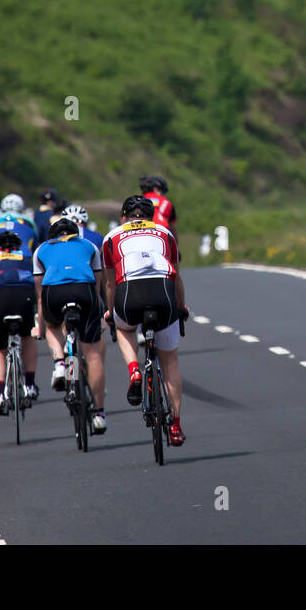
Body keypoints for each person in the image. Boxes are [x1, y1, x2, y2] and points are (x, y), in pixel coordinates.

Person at [102, 195, 188, 446]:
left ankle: (134, 372)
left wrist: (110, 313)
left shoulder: (111, 237)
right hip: (163, 292)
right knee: (169, 360)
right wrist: (181, 308)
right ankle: (175, 426)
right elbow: (176, 276)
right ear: (151, 216)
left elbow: (109, 284)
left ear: (123, 217)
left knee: (123, 327)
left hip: (129, 294)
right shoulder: (164, 232)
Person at [34, 217, 107, 433]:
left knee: (53, 326)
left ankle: (59, 363)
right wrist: (95, 309)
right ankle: (99, 414)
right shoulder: (89, 246)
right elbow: (97, 284)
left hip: (54, 294)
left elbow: (40, 294)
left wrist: (40, 325)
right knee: (92, 354)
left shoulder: (41, 249)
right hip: (84, 292)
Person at [0, 230, 39, 414]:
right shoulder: (26, 260)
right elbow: (37, 291)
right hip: (24, 298)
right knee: (27, 337)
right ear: (18, 247)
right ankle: (29, 385)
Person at [139, 175, 178, 239]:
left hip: (140, 234)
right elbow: (173, 230)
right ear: (156, 189)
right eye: (164, 192)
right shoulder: (167, 203)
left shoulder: (137, 200)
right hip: (162, 233)